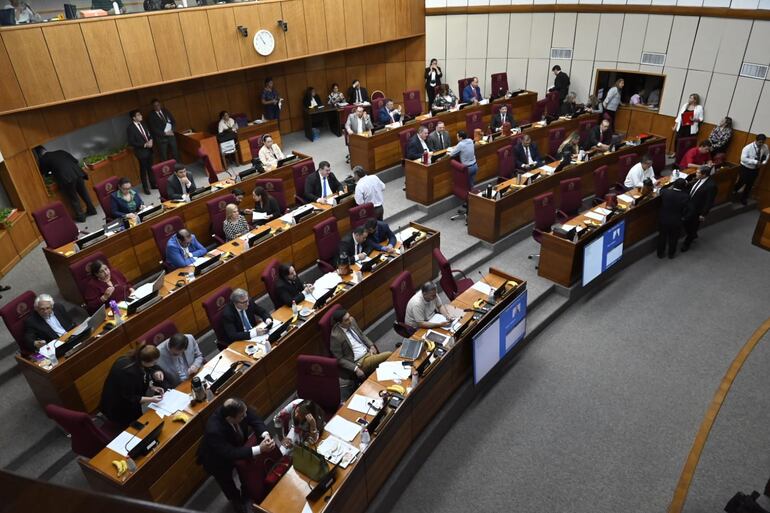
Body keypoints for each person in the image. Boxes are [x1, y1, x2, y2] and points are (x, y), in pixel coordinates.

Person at [197, 398, 274, 513]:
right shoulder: (214, 430)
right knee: (227, 483)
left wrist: (265, 435)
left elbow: (254, 419)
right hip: (217, 460)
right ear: (229, 418)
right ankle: (237, 502)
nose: (245, 416)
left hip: (235, 446)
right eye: (242, 416)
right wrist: (260, 449)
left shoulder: (239, 408)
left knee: (244, 469)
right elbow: (230, 453)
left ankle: (246, 493)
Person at [99, 344, 166, 429]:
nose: (155, 364)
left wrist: (151, 387)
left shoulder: (134, 358)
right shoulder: (130, 373)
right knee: (136, 428)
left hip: (124, 396)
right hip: (119, 406)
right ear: (145, 362)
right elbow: (130, 397)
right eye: (154, 362)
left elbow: (141, 379)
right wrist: (151, 399)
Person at [35, 147, 97, 222]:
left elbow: (44, 173)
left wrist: (52, 172)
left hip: (66, 178)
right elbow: (75, 160)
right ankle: (92, 210)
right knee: (84, 193)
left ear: (38, 155)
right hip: (77, 172)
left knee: (73, 198)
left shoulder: (43, 159)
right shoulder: (60, 151)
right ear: (45, 150)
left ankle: (81, 217)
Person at [329, 308, 391, 382]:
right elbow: (339, 359)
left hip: (369, 352)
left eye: (349, 317)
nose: (350, 321)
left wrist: (371, 346)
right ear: (339, 323)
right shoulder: (336, 336)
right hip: (360, 362)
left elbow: (361, 334)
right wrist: (356, 369)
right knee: (389, 355)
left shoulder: (352, 320)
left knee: (385, 368)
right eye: (346, 320)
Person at [682, 165, 717, 252]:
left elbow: (709, 202)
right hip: (688, 207)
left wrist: (703, 214)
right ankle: (693, 234)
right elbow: (692, 187)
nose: (696, 173)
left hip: (697, 211)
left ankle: (687, 243)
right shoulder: (698, 179)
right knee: (686, 223)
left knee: (692, 227)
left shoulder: (711, 186)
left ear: (704, 175)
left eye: (698, 173)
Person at [657, 178, 690, 259]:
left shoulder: (665, 192)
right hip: (676, 220)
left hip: (664, 219)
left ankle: (660, 254)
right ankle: (671, 254)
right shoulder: (685, 196)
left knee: (662, 237)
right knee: (674, 238)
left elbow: (660, 190)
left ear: (674, 184)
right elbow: (687, 209)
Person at [734, 134, 769, 205]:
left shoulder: (765, 146)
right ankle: (734, 191)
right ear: (756, 140)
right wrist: (755, 162)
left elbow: (767, 154)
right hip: (745, 168)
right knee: (742, 181)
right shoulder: (748, 148)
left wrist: (764, 162)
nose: (761, 144)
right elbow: (743, 159)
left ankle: (744, 198)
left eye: (763, 142)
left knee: (750, 184)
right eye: (760, 142)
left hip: (755, 169)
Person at [127, 110, 156, 194]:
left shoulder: (143, 124)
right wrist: (145, 145)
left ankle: (153, 184)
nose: (141, 116)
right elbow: (131, 142)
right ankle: (145, 188)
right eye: (138, 115)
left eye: (140, 114)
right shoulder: (130, 128)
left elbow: (149, 134)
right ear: (134, 118)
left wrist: (151, 140)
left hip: (149, 150)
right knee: (143, 170)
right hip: (141, 152)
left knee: (150, 168)